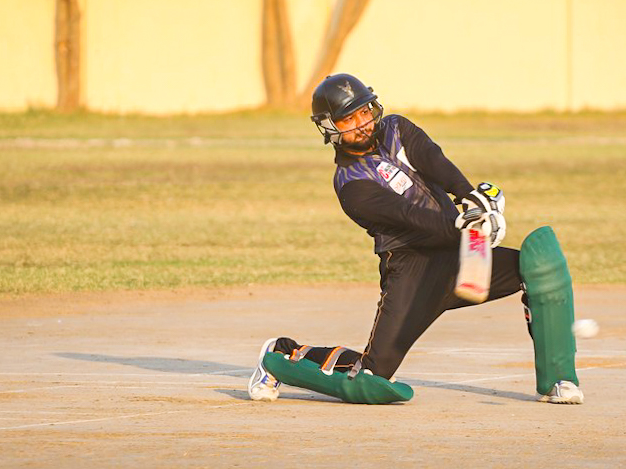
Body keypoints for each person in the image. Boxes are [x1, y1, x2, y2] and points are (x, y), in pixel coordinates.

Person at [247, 73, 583, 404]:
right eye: (349, 119)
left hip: (460, 255)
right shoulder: (350, 185)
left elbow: (434, 161)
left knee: (541, 267)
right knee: (371, 378)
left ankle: (558, 380)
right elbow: (412, 217)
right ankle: (278, 357)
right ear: (330, 127)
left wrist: (471, 199)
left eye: (364, 111)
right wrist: (465, 226)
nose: (362, 124)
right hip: (411, 273)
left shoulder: (396, 128)